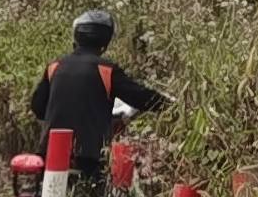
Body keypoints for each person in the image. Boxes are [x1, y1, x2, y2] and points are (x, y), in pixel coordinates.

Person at [29, 10, 164, 183]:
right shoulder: (106, 69)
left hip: (50, 151)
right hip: (89, 155)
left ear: (76, 37)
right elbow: (141, 98)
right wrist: (170, 105)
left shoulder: (55, 66)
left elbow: (38, 107)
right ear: (105, 42)